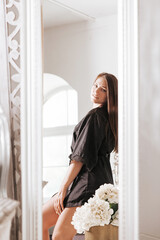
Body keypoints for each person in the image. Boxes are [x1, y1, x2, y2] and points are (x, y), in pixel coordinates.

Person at [43, 72, 118, 240]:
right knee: (39, 221)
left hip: (87, 184)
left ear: (110, 95)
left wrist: (62, 189)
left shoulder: (95, 117)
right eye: (95, 85)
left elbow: (79, 159)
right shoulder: (107, 119)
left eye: (103, 89)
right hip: (94, 183)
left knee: (59, 236)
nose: (96, 90)